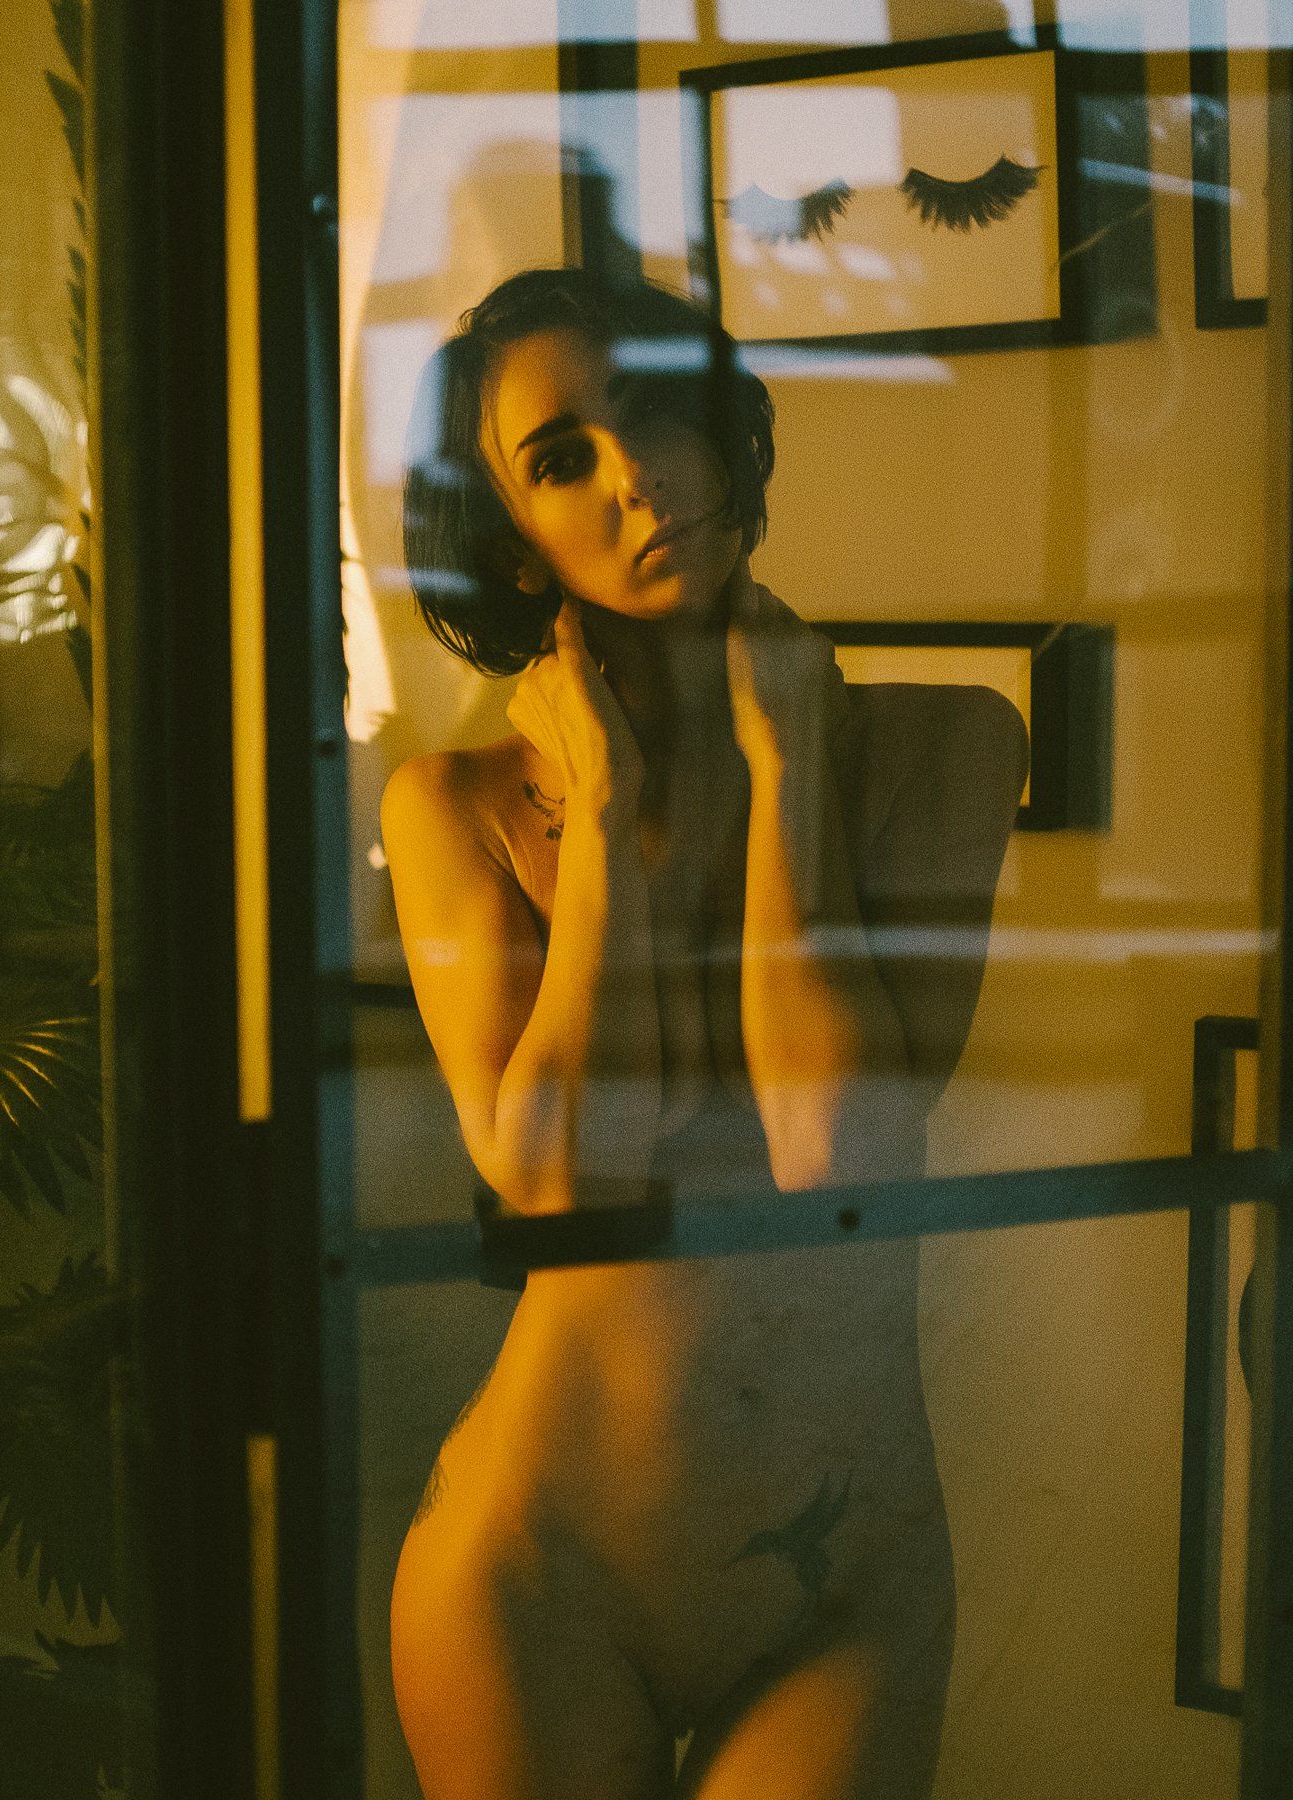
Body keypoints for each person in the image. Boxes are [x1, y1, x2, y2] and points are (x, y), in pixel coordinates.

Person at [379, 266, 1029, 1799]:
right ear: (513, 540)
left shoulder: (946, 745)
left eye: (655, 407)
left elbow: (841, 1149)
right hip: (540, 1570)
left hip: (842, 1568)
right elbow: (561, 1188)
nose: (635, 473)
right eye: (561, 459)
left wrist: (790, 767)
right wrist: (605, 821)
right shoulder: (457, 808)